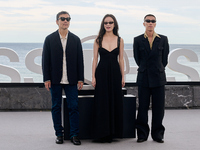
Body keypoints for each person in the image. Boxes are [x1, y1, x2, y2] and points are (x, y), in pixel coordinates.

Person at [42, 11, 84, 145]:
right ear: (57, 21)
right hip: (55, 80)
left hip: (71, 80)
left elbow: (80, 61)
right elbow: (45, 60)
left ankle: (74, 135)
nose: (65, 21)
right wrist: (46, 78)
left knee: (74, 107)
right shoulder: (49, 39)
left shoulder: (76, 39)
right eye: (63, 19)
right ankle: (59, 134)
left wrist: (80, 78)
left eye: (68, 19)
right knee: (56, 107)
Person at [133, 14, 169, 143]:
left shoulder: (163, 39)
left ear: (155, 23)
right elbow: (138, 59)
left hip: (158, 77)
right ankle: (142, 134)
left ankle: (157, 134)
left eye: (152, 21)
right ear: (144, 23)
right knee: (142, 107)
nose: (150, 23)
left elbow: (164, 60)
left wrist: (157, 69)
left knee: (159, 108)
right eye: (148, 21)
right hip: (144, 77)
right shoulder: (137, 40)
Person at [92, 14, 125, 143]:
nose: (108, 24)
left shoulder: (120, 40)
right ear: (103, 25)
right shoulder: (98, 40)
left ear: (114, 24)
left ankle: (113, 132)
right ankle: (102, 132)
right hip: (101, 73)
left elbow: (121, 59)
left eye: (110, 22)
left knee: (115, 100)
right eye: (106, 22)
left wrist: (123, 76)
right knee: (102, 102)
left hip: (116, 73)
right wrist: (93, 76)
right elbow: (95, 59)